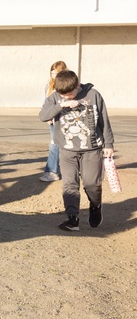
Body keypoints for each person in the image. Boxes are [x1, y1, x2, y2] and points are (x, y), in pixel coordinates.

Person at [38, 70, 115, 232]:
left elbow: (104, 120)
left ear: (78, 85)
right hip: (67, 150)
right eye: (63, 95)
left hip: (92, 149)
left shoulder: (93, 95)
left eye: (70, 94)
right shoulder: (55, 98)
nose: (68, 97)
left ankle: (95, 205)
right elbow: (43, 115)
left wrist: (108, 144)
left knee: (91, 183)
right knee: (69, 184)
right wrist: (61, 105)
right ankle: (72, 218)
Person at [40, 61, 69, 182]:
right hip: (53, 120)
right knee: (55, 144)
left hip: (64, 118)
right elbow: (44, 102)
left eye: (56, 72)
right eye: (52, 72)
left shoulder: (67, 84)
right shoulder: (49, 85)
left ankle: (52, 171)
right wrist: (47, 116)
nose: (54, 75)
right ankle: (52, 171)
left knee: (57, 145)